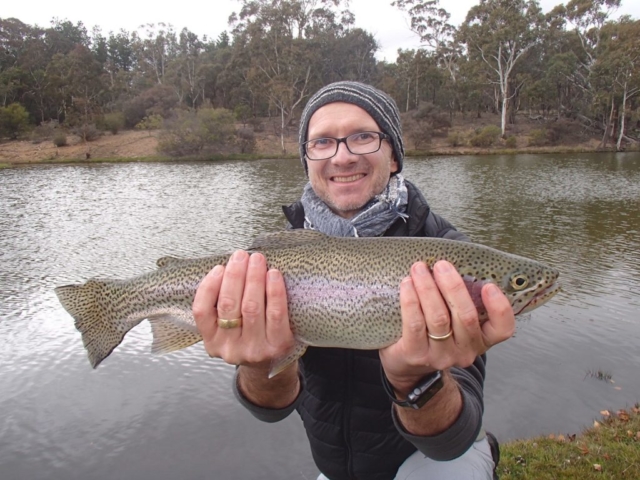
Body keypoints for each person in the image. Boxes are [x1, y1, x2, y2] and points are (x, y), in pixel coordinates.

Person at [193, 81, 515, 479]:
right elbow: (271, 409)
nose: (342, 157)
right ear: (307, 160)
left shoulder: (450, 262)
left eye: (363, 137)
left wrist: (416, 379)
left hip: (435, 462)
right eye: (322, 142)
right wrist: (259, 367)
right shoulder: (272, 261)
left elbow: (450, 442)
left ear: (394, 156)